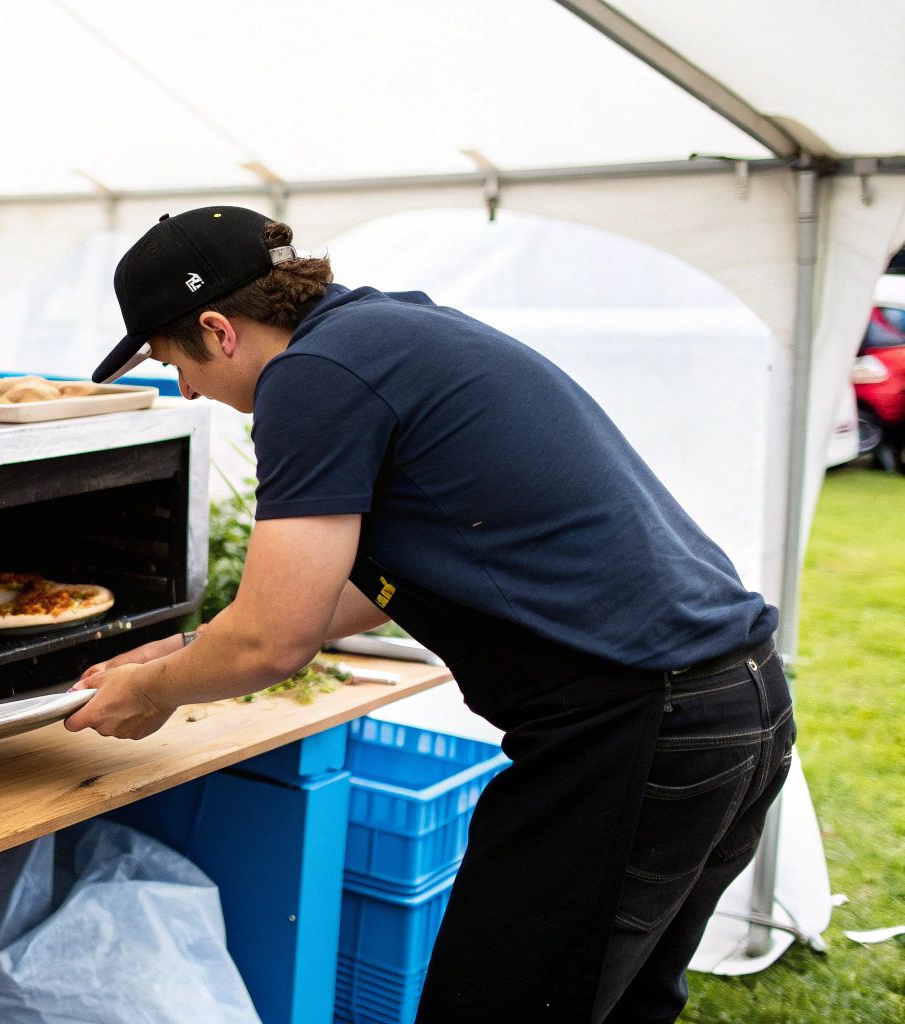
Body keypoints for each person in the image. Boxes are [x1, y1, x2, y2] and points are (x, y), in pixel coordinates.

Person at [63, 206, 795, 1023]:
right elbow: (358, 588)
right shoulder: (385, 330)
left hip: (636, 724)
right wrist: (193, 645)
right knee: (619, 1003)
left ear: (217, 329)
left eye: (173, 363)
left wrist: (159, 689)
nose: (186, 388)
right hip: (737, 701)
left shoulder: (311, 377)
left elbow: (277, 638)